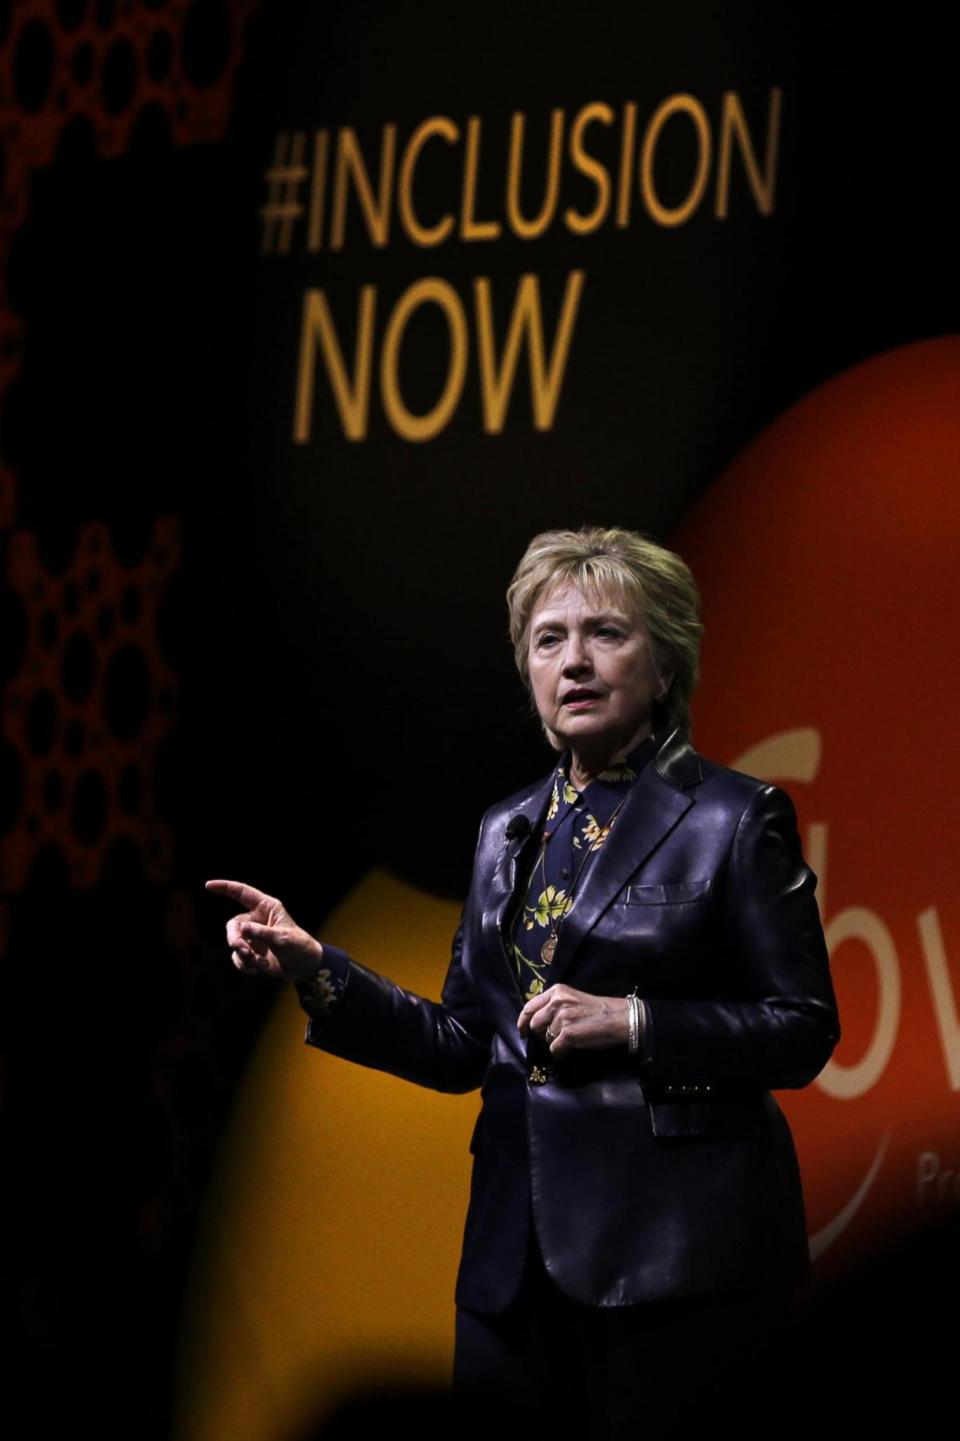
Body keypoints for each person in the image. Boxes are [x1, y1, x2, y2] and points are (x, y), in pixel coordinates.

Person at [207, 526, 840, 1438]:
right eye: (549, 639)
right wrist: (320, 971)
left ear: (664, 667)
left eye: (606, 634)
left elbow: (802, 1025)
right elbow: (464, 1045)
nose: (574, 660)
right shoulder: (505, 831)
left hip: (675, 1261)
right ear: (527, 674)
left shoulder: (736, 818)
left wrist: (633, 1021)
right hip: (514, 1263)